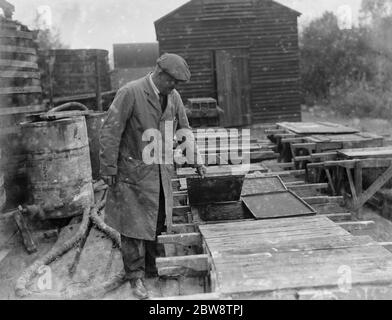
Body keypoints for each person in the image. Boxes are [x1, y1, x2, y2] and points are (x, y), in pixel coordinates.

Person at [99, 53, 206, 299]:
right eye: (173, 81)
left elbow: (184, 128)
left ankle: (153, 268)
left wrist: (195, 157)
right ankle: (135, 277)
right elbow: (110, 131)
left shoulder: (174, 97)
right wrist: (108, 169)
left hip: (160, 173)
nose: (175, 87)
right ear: (160, 74)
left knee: (156, 222)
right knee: (133, 227)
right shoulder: (130, 92)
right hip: (132, 174)